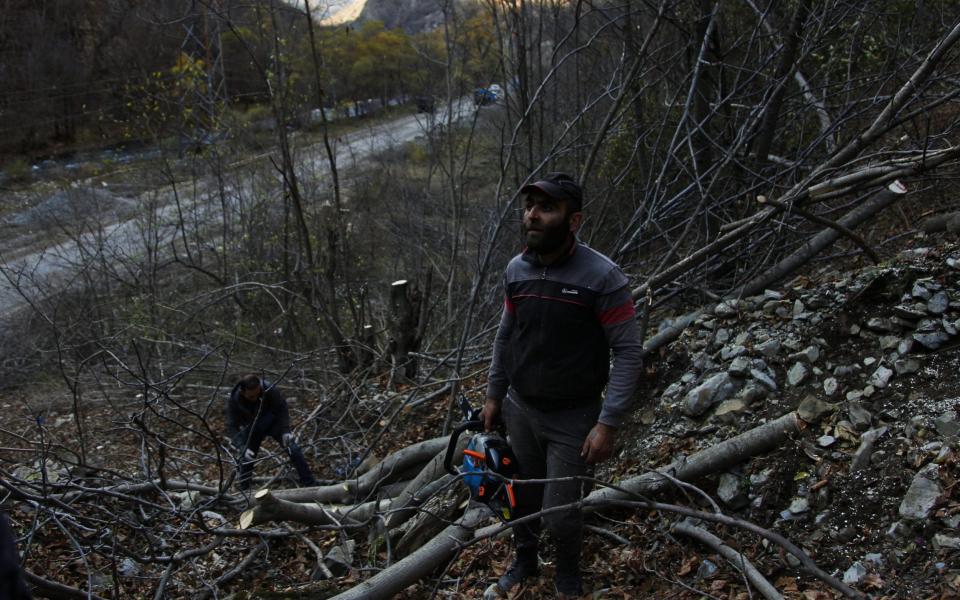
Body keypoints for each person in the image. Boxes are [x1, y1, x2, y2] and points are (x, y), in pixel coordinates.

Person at [481, 173, 643, 598]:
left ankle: (568, 572)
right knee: (521, 496)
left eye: (545, 207)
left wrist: (607, 423)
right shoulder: (517, 270)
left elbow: (627, 352)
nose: (531, 215)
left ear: (575, 221)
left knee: (561, 513)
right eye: (529, 205)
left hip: (574, 416)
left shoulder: (602, 277)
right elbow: (505, 335)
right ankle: (526, 559)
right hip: (520, 408)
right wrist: (494, 394)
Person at [226, 374, 318, 489]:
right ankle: (244, 490)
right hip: (252, 429)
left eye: (257, 394)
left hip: (273, 422)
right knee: (246, 458)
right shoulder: (234, 401)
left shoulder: (268, 389)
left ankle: (309, 484)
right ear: (242, 392)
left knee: (293, 449)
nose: (255, 398)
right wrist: (242, 447)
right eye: (251, 397)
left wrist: (285, 430)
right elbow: (231, 426)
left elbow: (281, 407)